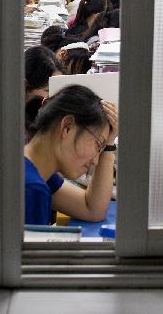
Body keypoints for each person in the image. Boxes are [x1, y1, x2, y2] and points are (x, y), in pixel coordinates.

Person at [24, 85, 118, 225]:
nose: (96, 161)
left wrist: (108, 144)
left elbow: (92, 209)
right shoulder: (32, 188)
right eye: (98, 145)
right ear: (67, 127)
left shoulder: (35, 171)